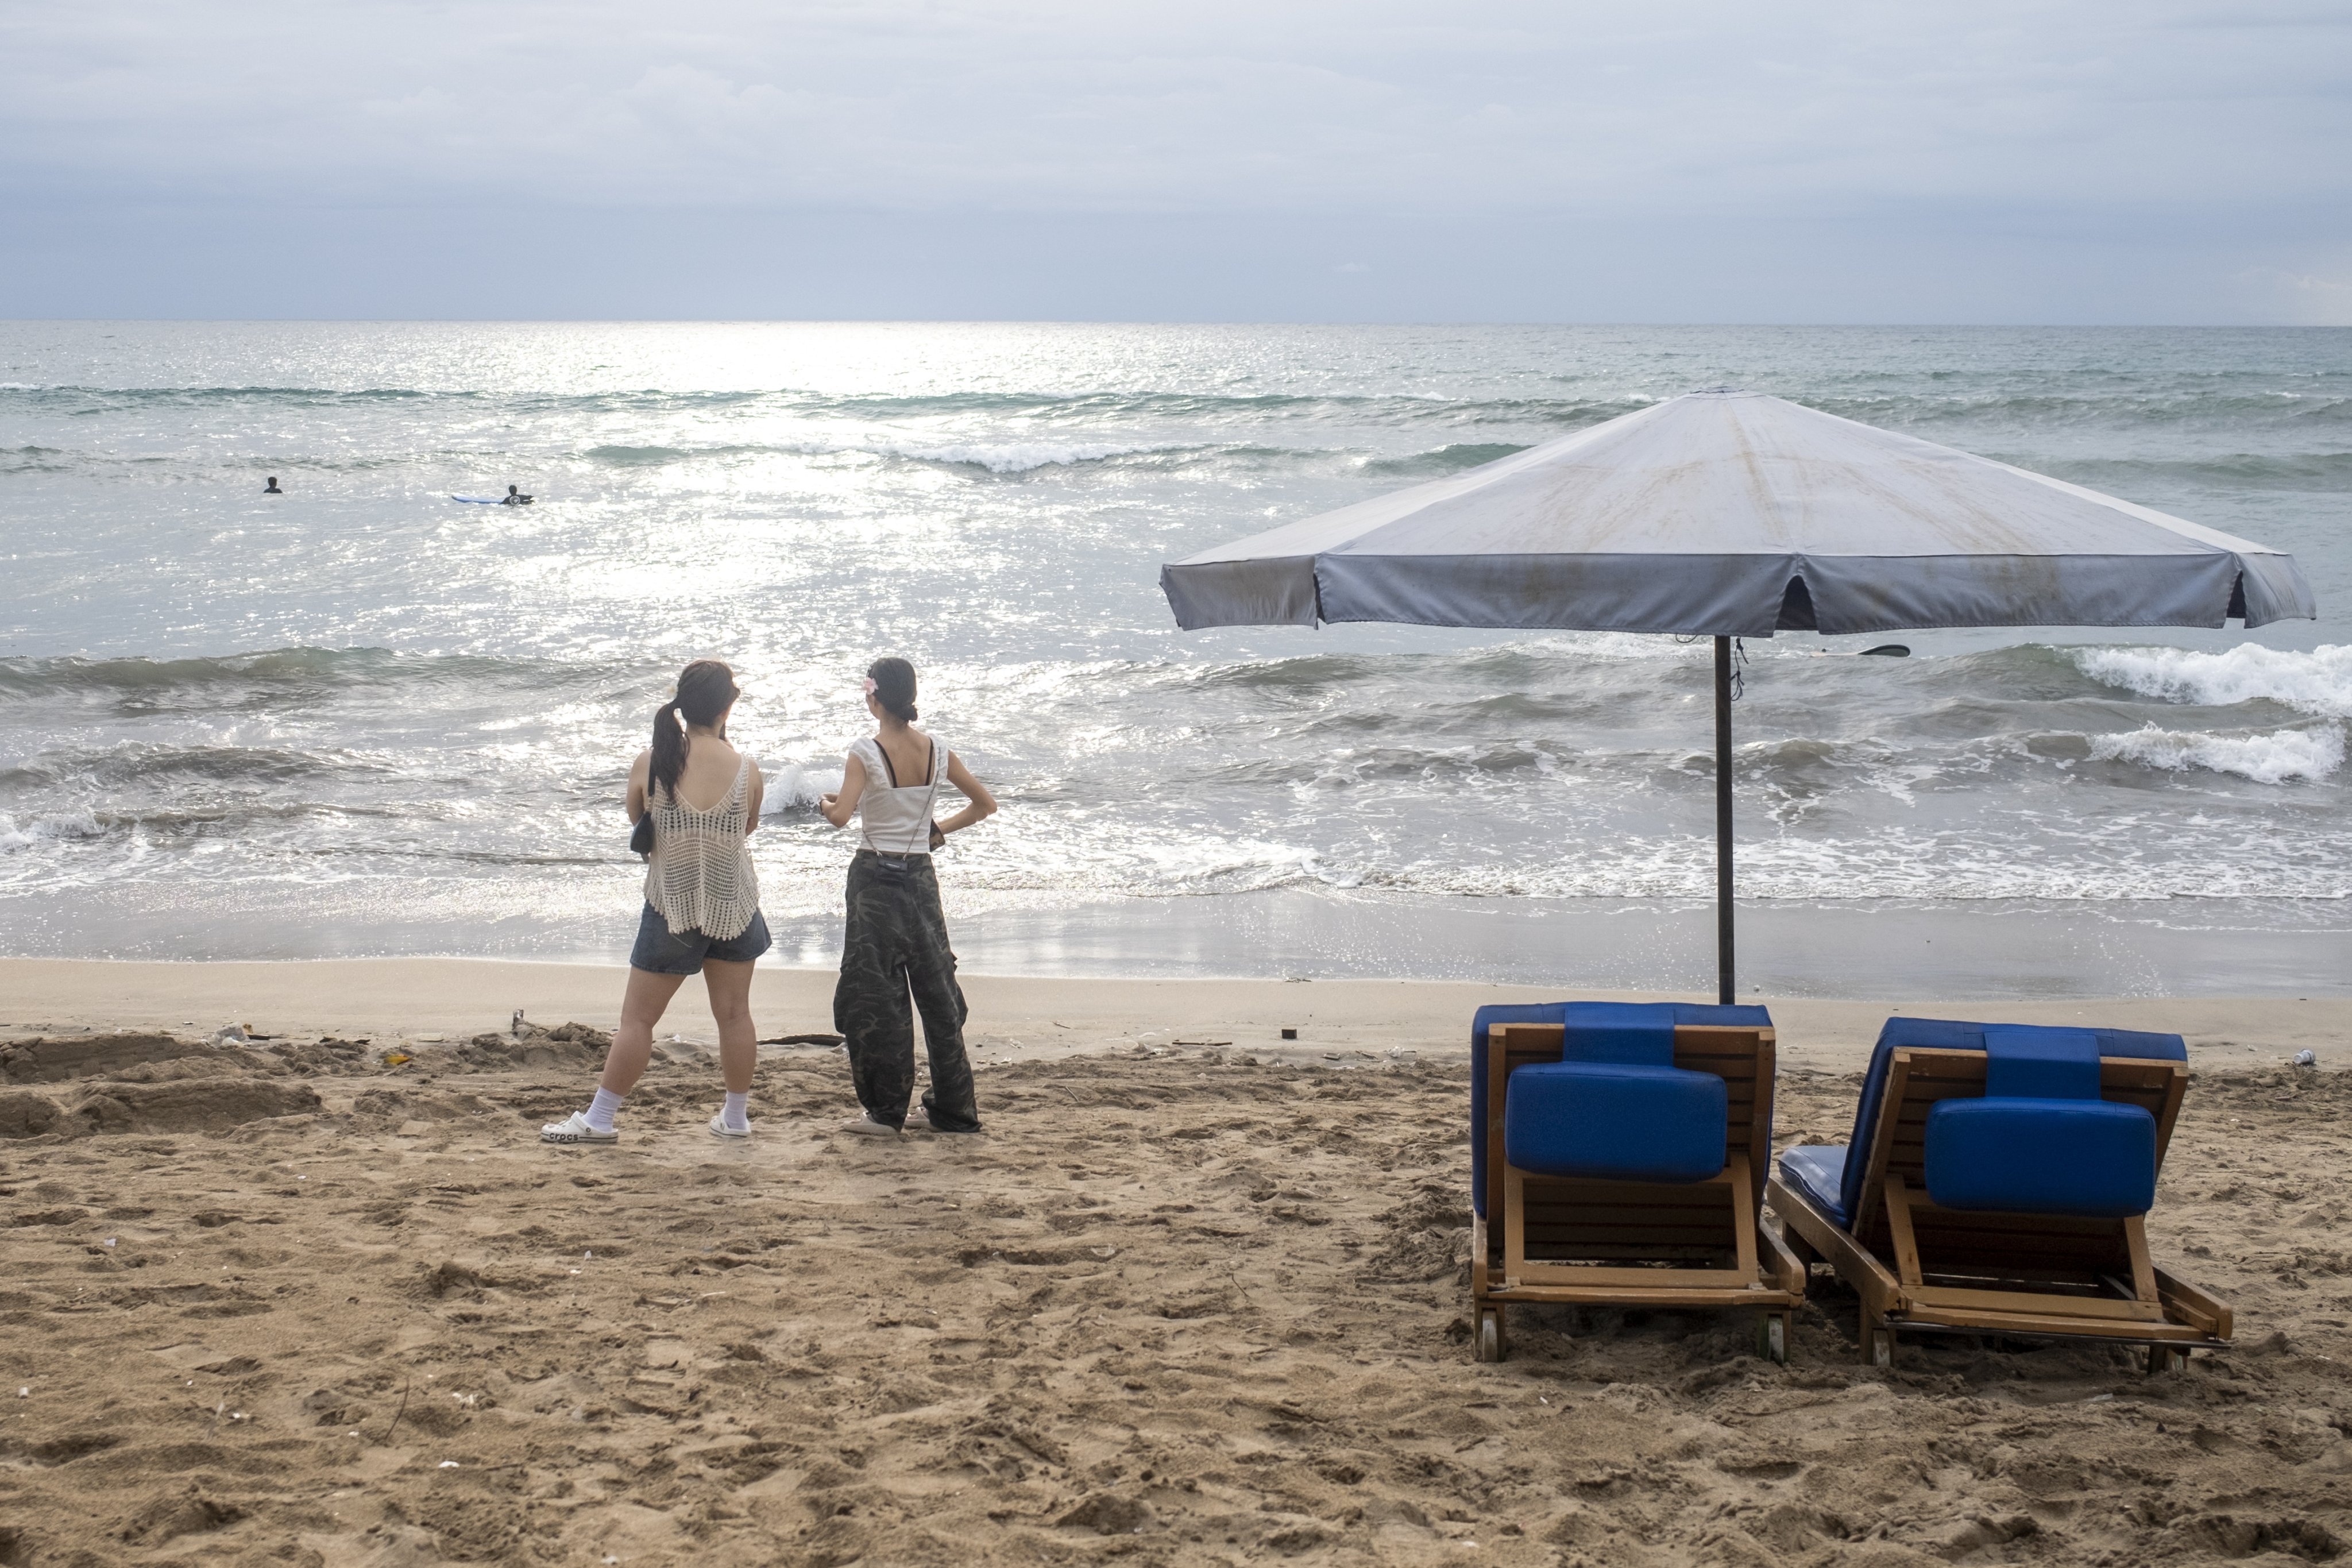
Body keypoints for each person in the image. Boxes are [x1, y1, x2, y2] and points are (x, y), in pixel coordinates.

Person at [542, 659, 769, 1145]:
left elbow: (638, 820)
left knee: (639, 1021)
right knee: (734, 1015)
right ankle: (735, 1118)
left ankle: (600, 1120)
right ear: (728, 707)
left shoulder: (653, 762)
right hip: (734, 902)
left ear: (682, 705)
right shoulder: (747, 769)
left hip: (673, 905)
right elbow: (745, 829)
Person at [818, 657, 995, 1137]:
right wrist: (935, 831)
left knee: (877, 992)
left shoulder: (865, 751)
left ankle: (885, 1111)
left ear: (875, 697)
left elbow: (841, 817)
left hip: (875, 880)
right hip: (920, 877)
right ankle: (954, 1110)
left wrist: (821, 803)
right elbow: (985, 805)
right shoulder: (938, 750)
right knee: (936, 988)